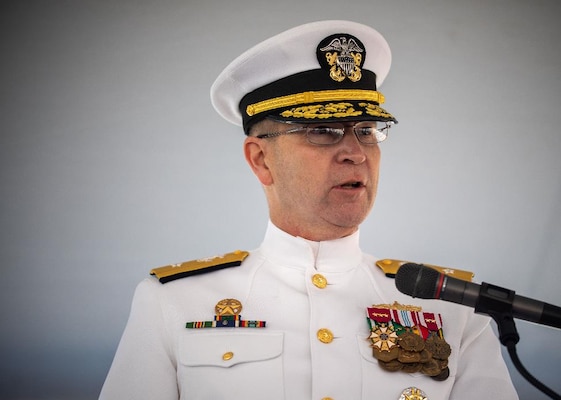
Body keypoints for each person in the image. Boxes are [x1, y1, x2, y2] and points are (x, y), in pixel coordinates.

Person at [99, 20, 518, 400]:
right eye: (323, 130)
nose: (355, 152)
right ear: (261, 160)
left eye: (367, 131)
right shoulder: (172, 303)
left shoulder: (453, 309)